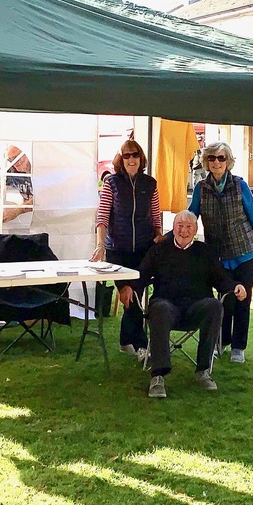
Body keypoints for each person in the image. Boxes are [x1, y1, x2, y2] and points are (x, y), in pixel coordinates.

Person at [119, 211, 246, 398]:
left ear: (195, 230)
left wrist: (236, 286)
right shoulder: (159, 250)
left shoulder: (205, 251)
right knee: (159, 308)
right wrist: (129, 286)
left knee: (214, 306)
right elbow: (142, 274)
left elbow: (221, 278)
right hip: (167, 305)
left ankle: (203, 370)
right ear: (173, 227)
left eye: (188, 226)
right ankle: (158, 376)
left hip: (197, 306)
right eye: (180, 225)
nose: (184, 230)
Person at [189, 141, 253, 364]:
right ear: (206, 162)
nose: (216, 163)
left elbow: (252, 216)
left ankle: (238, 347)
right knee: (222, 301)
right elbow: (192, 216)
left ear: (228, 161)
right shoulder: (201, 188)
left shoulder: (240, 185)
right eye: (212, 158)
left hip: (244, 251)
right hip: (218, 254)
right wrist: (174, 235)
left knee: (242, 300)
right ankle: (221, 342)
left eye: (221, 158)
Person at [91, 140, 163, 357]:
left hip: (144, 249)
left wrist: (159, 235)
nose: (131, 159)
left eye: (135, 155)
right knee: (127, 294)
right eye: (126, 156)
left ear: (141, 159)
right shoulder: (111, 183)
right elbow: (102, 217)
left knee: (135, 294)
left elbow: (156, 213)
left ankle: (127, 341)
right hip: (117, 251)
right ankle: (141, 345)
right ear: (121, 160)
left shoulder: (150, 183)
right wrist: (100, 245)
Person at [0, 144, 34, 222]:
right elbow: (1, 183)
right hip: (27, 218)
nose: (15, 163)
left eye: (17, 158)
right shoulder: (14, 171)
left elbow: (41, 199)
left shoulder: (40, 171)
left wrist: (17, 211)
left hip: (45, 217)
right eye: (11, 160)